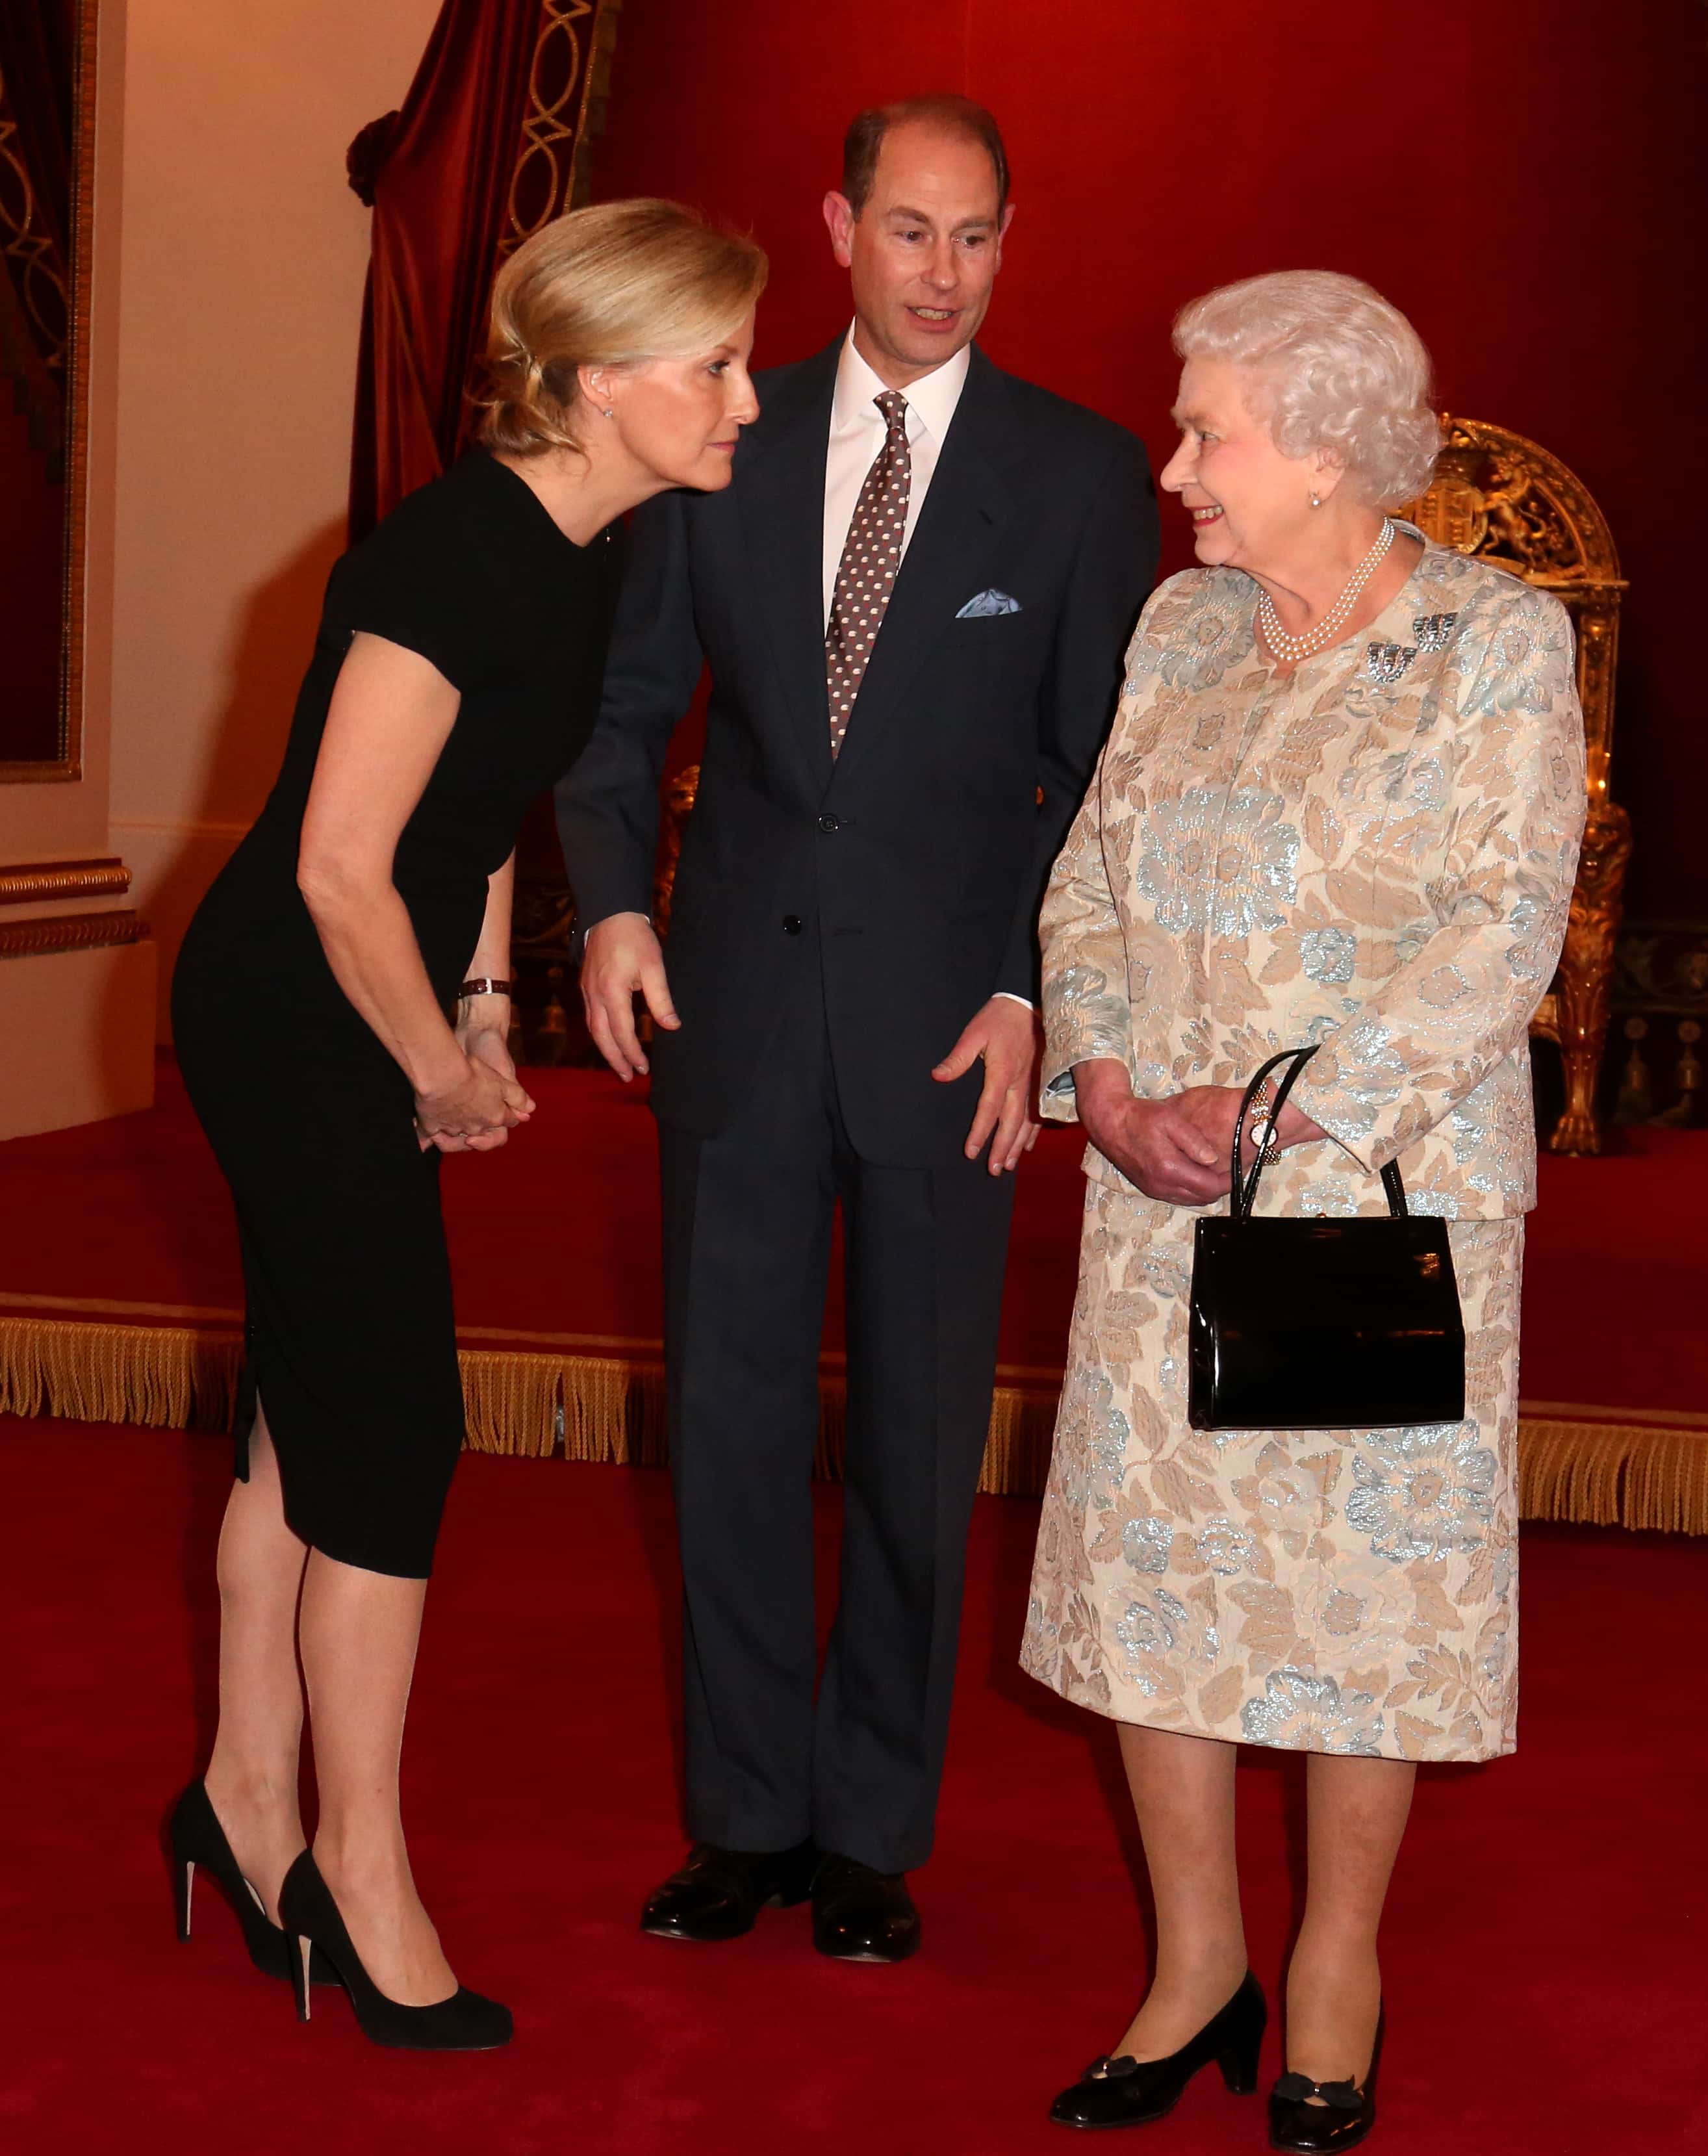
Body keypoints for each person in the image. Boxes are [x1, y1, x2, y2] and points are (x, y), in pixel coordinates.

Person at [559, 95, 1157, 1963]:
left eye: (978, 236)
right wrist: (611, 905)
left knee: (913, 1441)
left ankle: (873, 1834)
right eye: (910, 232)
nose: (944, 275)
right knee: (728, 1430)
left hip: (949, 1040)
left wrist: (1026, 993)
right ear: (836, 229)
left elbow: (1099, 780)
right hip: (729, 1010)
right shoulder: (725, 435)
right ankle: (744, 1816)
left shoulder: (1077, 475)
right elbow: (621, 705)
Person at [168, 200, 765, 2050]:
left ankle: (241, 1801)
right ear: (598, 386)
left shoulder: (589, 538)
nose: (748, 398)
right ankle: (358, 1867)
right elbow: (343, 869)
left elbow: (477, 808)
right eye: (718, 365)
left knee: (308, 1408)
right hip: (298, 1014)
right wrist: (431, 1058)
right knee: (397, 1432)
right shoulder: (457, 556)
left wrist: (488, 1005)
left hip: (375, 1000)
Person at [1025, 270, 1584, 2147]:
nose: (1177, 467)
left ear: (1331, 451)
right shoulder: (1182, 628)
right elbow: (1087, 879)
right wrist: (1104, 1089)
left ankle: (1336, 1958)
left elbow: (1498, 937)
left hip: (1364, 1203)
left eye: (1212, 434)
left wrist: (1261, 1126)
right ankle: (1197, 1965)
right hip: (1153, 1193)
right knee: (1158, 1596)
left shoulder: (1494, 642)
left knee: (1354, 1603)